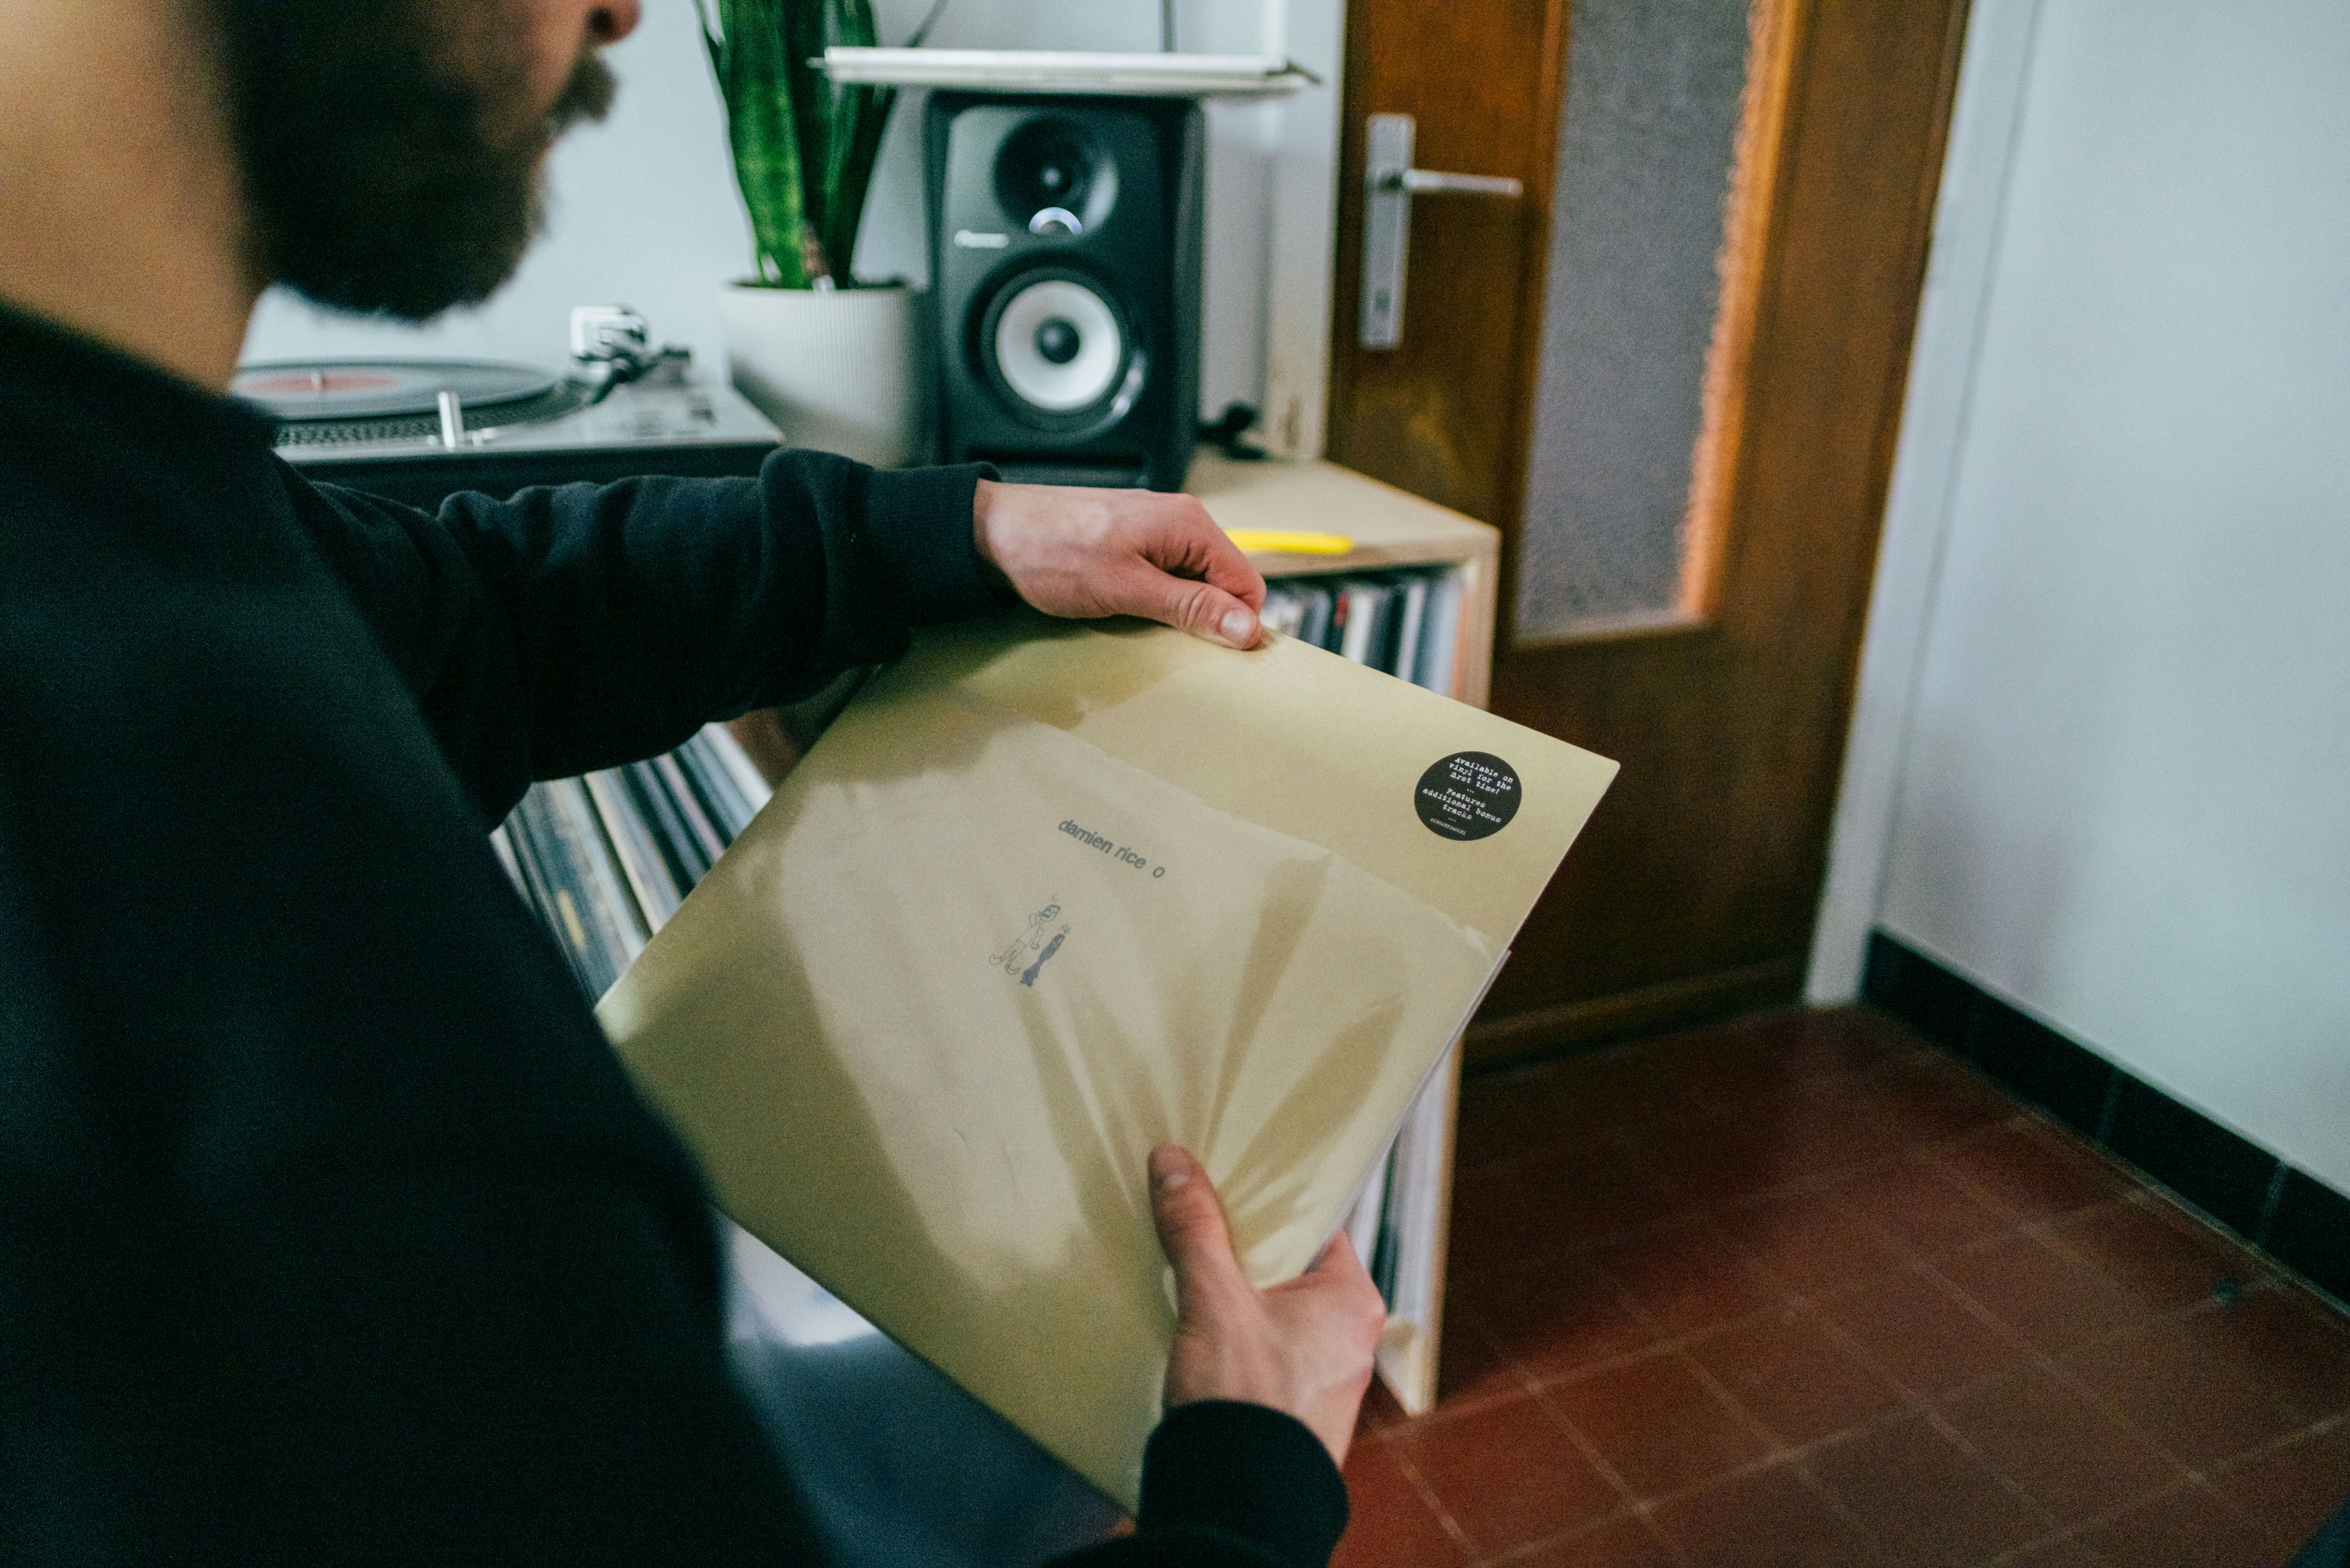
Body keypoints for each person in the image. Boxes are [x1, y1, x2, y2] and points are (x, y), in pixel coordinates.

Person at [0, 1, 1386, 1562]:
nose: (622, 11)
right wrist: (1247, 1491)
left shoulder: (124, 535)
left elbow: (469, 615)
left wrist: (950, 534)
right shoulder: (297, 1053)